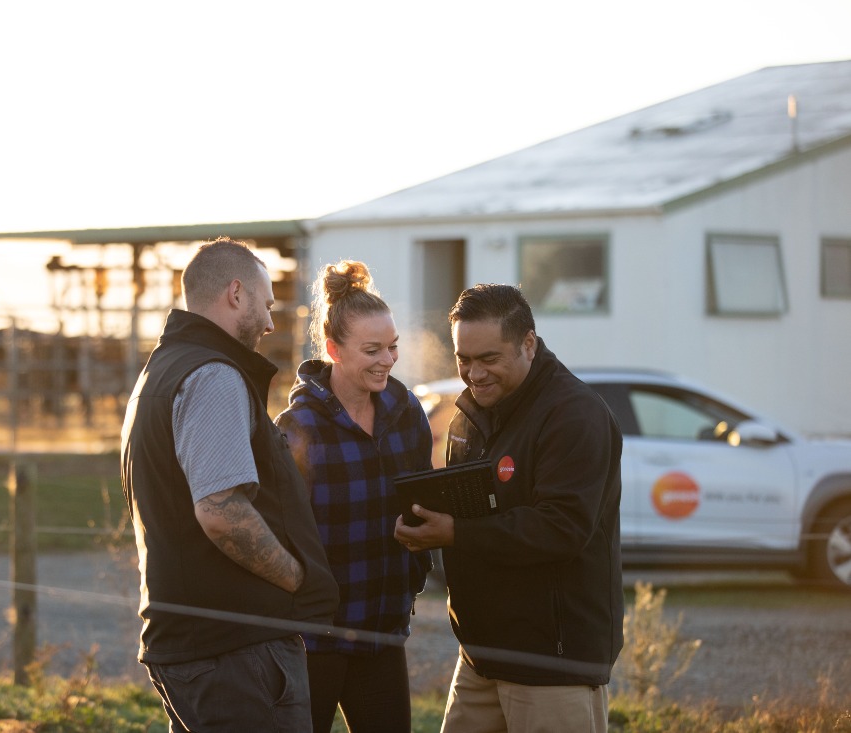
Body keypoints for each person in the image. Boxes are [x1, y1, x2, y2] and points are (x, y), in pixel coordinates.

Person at [120, 237, 339, 732]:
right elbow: (220, 511)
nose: (268, 321)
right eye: (266, 304)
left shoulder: (161, 370)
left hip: (200, 644)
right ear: (236, 293)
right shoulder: (213, 375)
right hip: (234, 650)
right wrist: (297, 578)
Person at [394, 283, 623, 733]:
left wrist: (455, 533)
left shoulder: (574, 415)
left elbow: (561, 528)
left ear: (529, 344)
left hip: (553, 664)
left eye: (489, 359)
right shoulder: (470, 414)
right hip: (481, 657)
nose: (474, 374)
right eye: (464, 360)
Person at [274, 261, 434, 733]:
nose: (386, 360)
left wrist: (414, 572)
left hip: (382, 630)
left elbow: (421, 500)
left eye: (392, 347)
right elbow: (282, 534)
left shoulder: (407, 415)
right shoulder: (298, 428)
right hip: (313, 638)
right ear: (333, 350)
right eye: (372, 350)